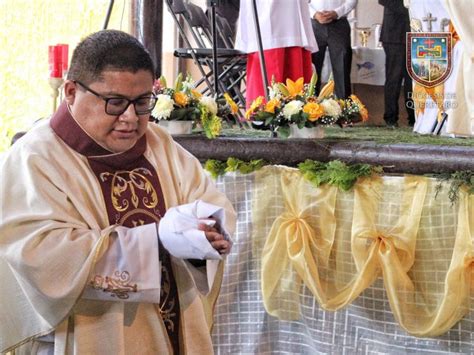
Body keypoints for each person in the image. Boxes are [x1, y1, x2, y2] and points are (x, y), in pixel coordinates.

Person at [0, 30, 236, 354]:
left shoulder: (159, 144)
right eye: (114, 103)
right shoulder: (33, 160)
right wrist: (155, 241)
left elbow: (210, 202)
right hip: (86, 337)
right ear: (70, 91)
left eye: (141, 102)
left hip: (171, 337)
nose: (130, 118)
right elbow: (43, 256)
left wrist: (204, 232)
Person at [235, 0, 318, 107]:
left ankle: (296, 112)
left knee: (293, 65)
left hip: (292, 19)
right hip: (267, 25)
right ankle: (265, 113)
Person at [308, 0, 356, 99]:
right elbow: (302, 2)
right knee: (312, 69)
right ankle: (310, 108)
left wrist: (337, 13)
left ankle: (344, 108)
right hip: (314, 25)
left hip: (339, 24)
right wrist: (314, 14)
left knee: (342, 68)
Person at [379, 0, 415, 127]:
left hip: (416, 31)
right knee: (393, 77)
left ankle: (414, 117)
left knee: (413, 79)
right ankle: (390, 118)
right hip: (394, 32)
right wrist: (411, 7)